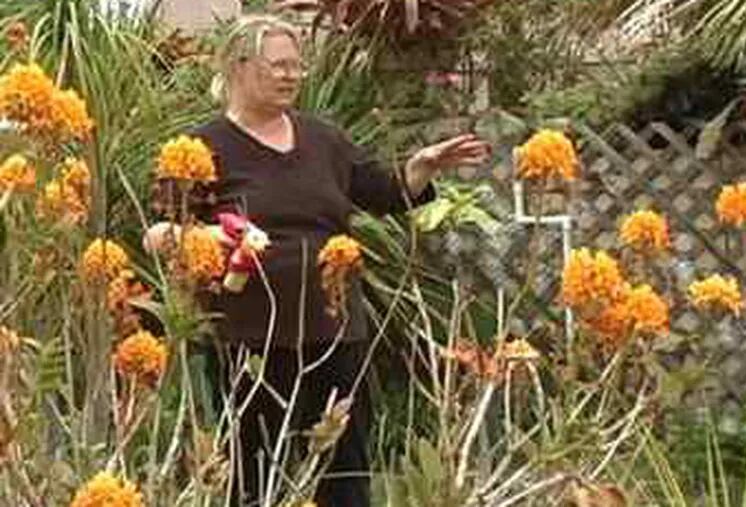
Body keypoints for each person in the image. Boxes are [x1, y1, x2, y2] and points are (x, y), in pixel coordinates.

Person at [145, 14, 490, 507]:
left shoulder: (325, 140)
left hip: (335, 333)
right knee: (253, 476)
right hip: (250, 341)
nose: (291, 75)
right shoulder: (203, 148)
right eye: (278, 65)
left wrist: (421, 167)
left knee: (344, 474)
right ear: (239, 67)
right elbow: (158, 231)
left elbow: (384, 192)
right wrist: (210, 237)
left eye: (296, 66)